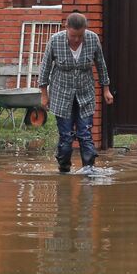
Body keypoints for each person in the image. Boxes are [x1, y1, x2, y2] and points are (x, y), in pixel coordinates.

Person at [38, 12, 113, 173]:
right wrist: (44, 94)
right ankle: (64, 168)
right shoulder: (55, 41)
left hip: (85, 94)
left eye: (80, 36)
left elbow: (101, 65)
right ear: (66, 29)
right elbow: (45, 68)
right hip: (61, 94)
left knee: (85, 132)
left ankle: (89, 169)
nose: (77, 39)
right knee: (66, 136)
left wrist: (106, 89)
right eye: (73, 36)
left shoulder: (92, 39)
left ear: (85, 30)